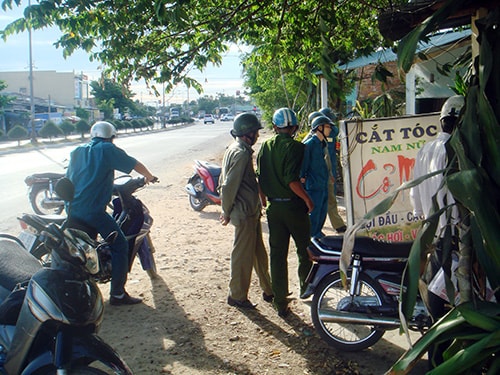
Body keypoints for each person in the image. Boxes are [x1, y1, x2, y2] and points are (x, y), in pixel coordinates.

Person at [66, 121, 157, 306]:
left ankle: (87, 288)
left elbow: (71, 177)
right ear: (112, 137)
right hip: (93, 211)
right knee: (120, 244)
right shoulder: (107, 149)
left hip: (73, 209)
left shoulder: (78, 151)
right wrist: (149, 176)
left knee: (87, 249)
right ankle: (117, 294)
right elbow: (134, 164)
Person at [410, 95, 464, 367]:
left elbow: (416, 199)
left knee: (437, 311)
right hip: (456, 243)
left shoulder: (425, 150)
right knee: (455, 313)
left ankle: (436, 362)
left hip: (435, 238)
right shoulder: (458, 151)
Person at [256, 107, 314, 317]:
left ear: (275, 127)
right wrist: (307, 199)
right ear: (295, 127)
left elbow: (259, 179)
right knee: (305, 249)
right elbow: (292, 180)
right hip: (293, 206)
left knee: (277, 255)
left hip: (274, 208)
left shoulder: (265, 147)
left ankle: (280, 301)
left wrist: (264, 202)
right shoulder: (297, 148)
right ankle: (306, 288)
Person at [219, 112, 273, 309]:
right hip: (244, 213)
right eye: (255, 132)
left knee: (259, 254)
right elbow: (228, 185)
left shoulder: (235, 149)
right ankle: (237, 296)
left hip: (250, 211)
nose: (258, 135)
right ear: (247, 134)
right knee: (242, 257)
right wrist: (225, 211)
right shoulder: (241, 153)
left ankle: (269, 290)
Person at [300, 115, 334, 238]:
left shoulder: (322, 144)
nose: (330, 129)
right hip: (313, 186)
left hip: (323, 184)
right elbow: (303, 167)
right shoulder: (309, 144)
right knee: (314, 214)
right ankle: (312, 237)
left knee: (322, 212)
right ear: (319, 128)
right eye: (328, 127)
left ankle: (318, 233)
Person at [319, 107, 346, 234]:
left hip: (331, 167)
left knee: (330, 197)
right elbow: (336, 130)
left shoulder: (326, 132)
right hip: (325, 169)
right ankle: (337, 225)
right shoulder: (329, 131)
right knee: (328, 198)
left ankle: (336, 224)